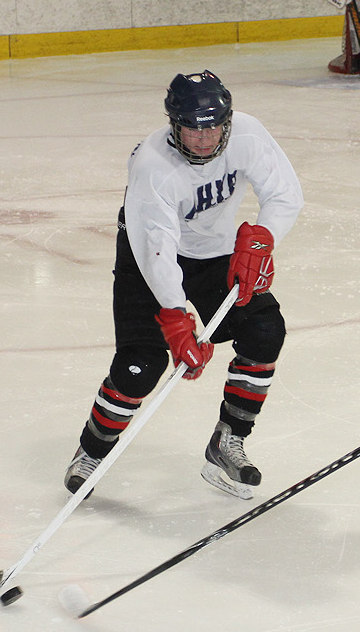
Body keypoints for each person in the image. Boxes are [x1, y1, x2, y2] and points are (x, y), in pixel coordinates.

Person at [65, 70, 303, 501]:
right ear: (175, 125)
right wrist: (176, 316)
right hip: (147, 255)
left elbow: (285, 194)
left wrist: (262, 237)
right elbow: (157, 246)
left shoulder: (247, 135)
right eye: (193, 128)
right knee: (141, 366)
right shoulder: (153, 167)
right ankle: (92, 451)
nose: (205, 138)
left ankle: (228, 439)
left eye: (213, 125)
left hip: (213, 252)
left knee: (265, 329)